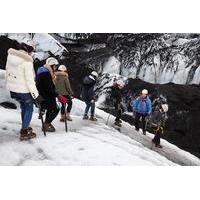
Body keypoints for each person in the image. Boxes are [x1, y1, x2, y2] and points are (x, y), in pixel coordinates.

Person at [5, 42, 43, 141]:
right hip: (23, 90)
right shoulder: (27, 61)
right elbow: (30, 81)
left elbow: (7, 72)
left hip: (13, 89)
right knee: (29, 108)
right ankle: (24, 131)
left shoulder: (11, 57)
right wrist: (36, 96)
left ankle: (25, 126)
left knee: (24, 107)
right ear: (28, 50)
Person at [36, 57, 67, 132]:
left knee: (51, 109)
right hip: (46, 96)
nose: (56, 68)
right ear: (52, 65)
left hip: (43, 95)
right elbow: (49, 88)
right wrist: (58, 95)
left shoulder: (42, 72)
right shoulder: (46, 74)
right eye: (55, 66)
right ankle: (47, 124)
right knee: (55, 109)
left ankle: (46, 123)